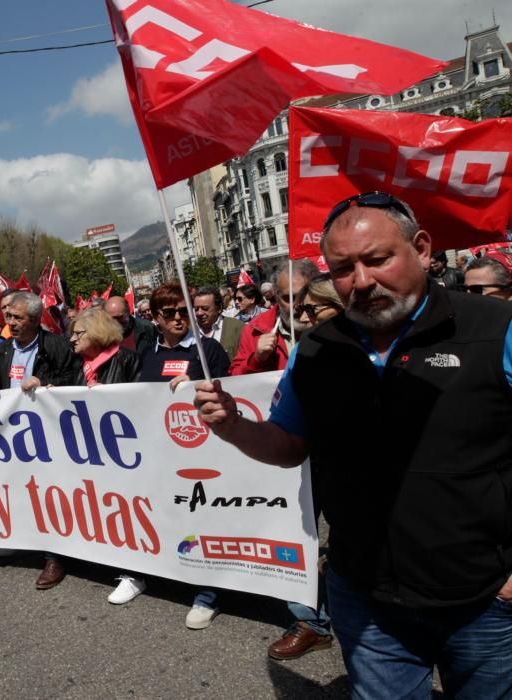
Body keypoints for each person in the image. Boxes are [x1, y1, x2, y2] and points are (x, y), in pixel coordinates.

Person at [194, 191, 512, 697]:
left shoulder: (495, 328)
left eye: (377, 259)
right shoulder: (316, 350)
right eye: (343, 268)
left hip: (483, 600)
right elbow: (287, 444)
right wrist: (234, 426)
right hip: (367, 601)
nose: (361, 281)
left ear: (423, 249)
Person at [138, 283, 228, 629]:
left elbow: (232, 395)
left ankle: (208, 594)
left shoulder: (208, 350)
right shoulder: (149, 353)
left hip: (203, 452)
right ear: (155, 318)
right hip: (162, 453)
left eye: (184, 312)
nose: (178, 319)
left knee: (202, 520)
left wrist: (196, 385)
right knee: (170, 517)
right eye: (169, 313)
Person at [265, 274, 342, 661]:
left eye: (309, 305)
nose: (300, 313)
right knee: (296, 533)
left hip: (358, 468)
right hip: (300, 451)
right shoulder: (274, 339)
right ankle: (311, 620)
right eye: (290, 300)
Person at [0, 291, 78, 589]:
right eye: (8, 317)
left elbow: (74, 381)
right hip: (15, 438)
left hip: (51, 437)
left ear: (35, 319)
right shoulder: (4, 349)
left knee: (50, 495)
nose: (10, 322)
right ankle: (26, 540)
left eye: (17, 318)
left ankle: (54, 557)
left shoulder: (57, 346)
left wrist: (47, 385)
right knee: (23, 491)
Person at [68, 307, 144, 603]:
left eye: (78, 333)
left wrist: (108, 397)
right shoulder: (76, 365)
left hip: (123, 453)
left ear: (97, 332)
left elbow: (140, 401)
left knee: (127, 508)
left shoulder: (127, 360)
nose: (71, 339)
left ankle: (134, 574)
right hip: (90, 452)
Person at [229, 260, 319, 376]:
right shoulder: (254, 330)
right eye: (289, 298)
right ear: (276, 296)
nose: (297, 306)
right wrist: (257, 359)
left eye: (305, 296)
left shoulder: (330, 322)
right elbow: (236, 378)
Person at [192, 287, 245, 362]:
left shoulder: (238, 328)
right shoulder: (189, 330)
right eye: (196, 309)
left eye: (205, 308)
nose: (199, 313)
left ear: (219, 308)